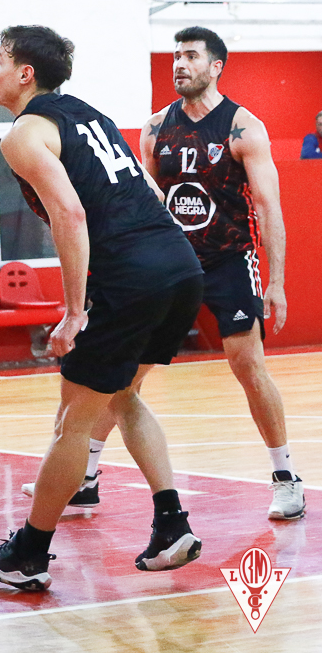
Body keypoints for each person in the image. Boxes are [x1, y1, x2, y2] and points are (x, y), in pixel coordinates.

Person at [0, 25, 203, 592]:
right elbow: (144, 183)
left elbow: (70, 217)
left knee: (75, 419)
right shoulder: (86, 113)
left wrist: (76, 311)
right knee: (122, 397)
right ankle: (170, 523)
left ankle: (29, 553)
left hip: (131, 274)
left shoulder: (24, 133)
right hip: (177, 262)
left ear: (26, 74)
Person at [54, 27, 305, 521]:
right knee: (125, 376)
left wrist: (275, 282)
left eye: (191, 56)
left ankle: (285, 475)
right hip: (169, 262)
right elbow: (137, 198)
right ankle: (85, 477)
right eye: (176, 56)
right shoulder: (154, 129)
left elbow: (270, 207)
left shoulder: (243, 127)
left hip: (229, 260)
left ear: (216, 66)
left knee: (246, 363)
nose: (180, 64)